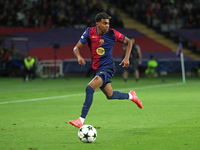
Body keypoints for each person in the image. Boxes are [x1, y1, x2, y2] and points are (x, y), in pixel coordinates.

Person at [68, 12, 143, 128]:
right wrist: (79, 56)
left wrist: (126, 57)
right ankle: (131, 96)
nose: (107, 26)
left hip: (107, 68)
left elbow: (129, 41)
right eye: (104, 23)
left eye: (108, 23)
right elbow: (76, 48)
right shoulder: (89, 32)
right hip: (97, 69)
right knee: (110, 95)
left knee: (89, 88)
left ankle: (81, 120)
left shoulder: (112, 34)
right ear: (97, 23)